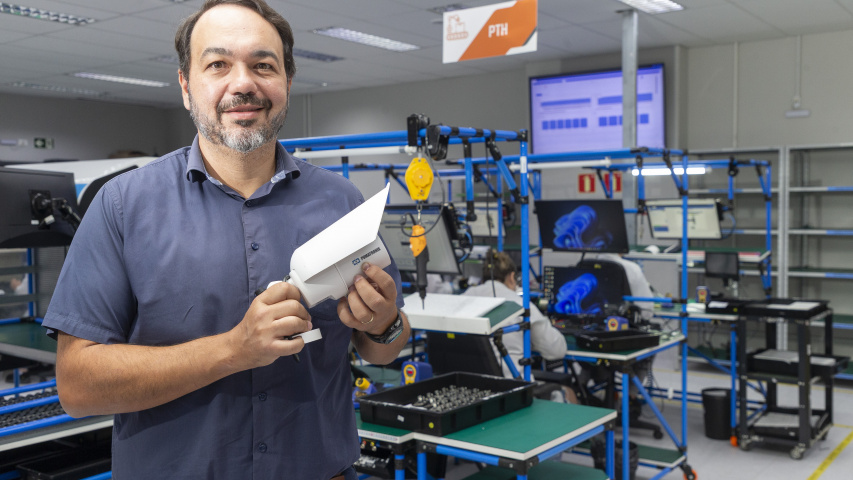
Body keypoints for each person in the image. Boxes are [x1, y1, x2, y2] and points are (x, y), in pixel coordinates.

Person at [42, 1, 410, 479]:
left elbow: (385, 346)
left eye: (263, 65)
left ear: (287, 81)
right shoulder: (121, 206)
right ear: (186, 86)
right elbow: (77, 387)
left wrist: (383, 324)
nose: (243, 83)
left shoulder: (340, 202)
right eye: (218, 64)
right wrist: (233, 350)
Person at [462, 250, 577, 403]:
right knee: (568, 391)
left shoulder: (463, 299)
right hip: (514, 391)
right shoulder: (519, 304)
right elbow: (556, 350)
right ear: (511, 277)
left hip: (470, 390)